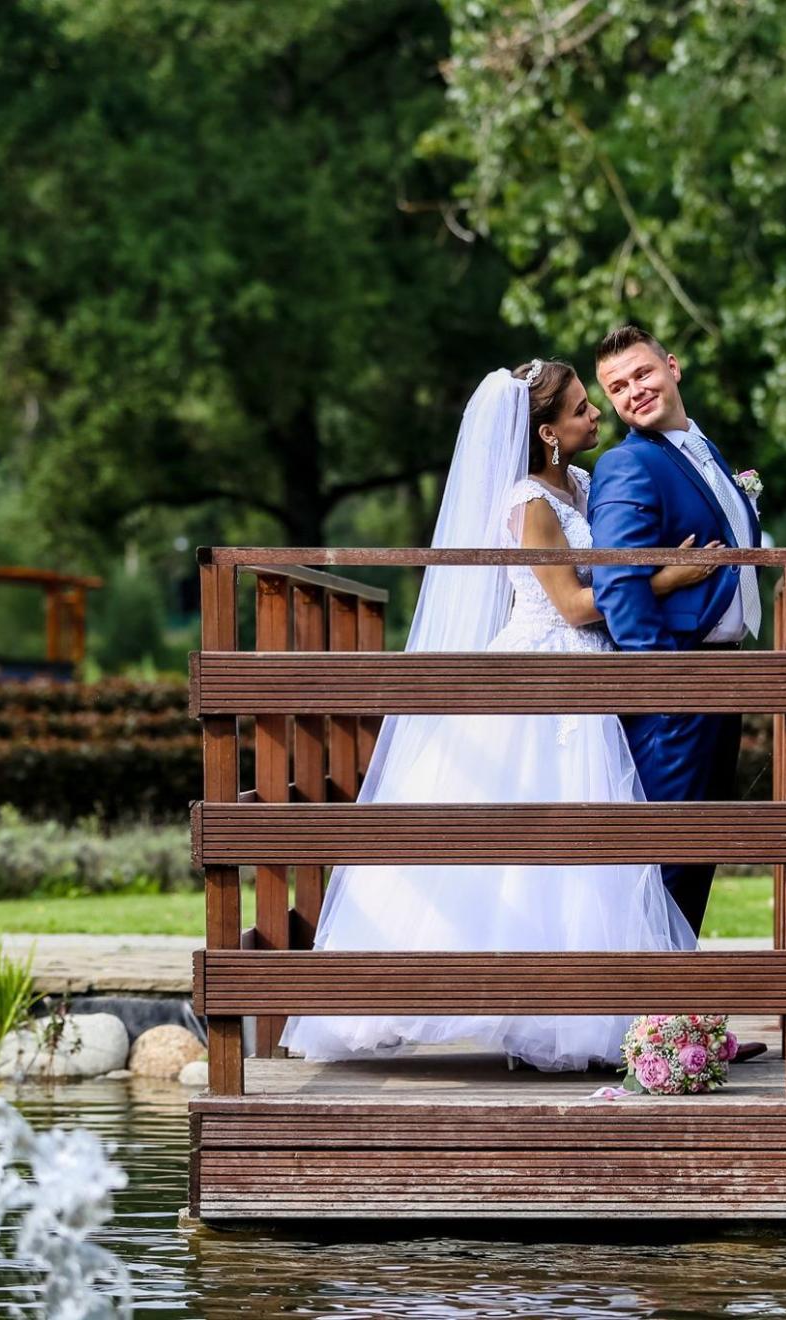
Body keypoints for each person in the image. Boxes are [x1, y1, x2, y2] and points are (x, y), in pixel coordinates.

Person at [285, 360, 716, 1071]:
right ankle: (474, 1001)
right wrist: (668, 576)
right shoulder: (528, 503)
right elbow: (572, 605)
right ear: (546, 433)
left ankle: (576, 1011)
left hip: (589, 669)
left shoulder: (582, 485)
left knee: (583, 852)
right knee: (527, 847)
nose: (595, 415)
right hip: (545, 670)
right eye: (580, 409)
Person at [589, 325, 763, 935]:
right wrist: (667, 683)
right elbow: (618, 586)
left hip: (720, 678)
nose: (634, 391)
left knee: (698, 850)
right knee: (667, 858)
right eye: (618, 387)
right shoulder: (627, 464)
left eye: (642, 374)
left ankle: (678, 994)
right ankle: (650, 994)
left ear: (672, 367)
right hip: (676, 685)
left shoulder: (702, 450)